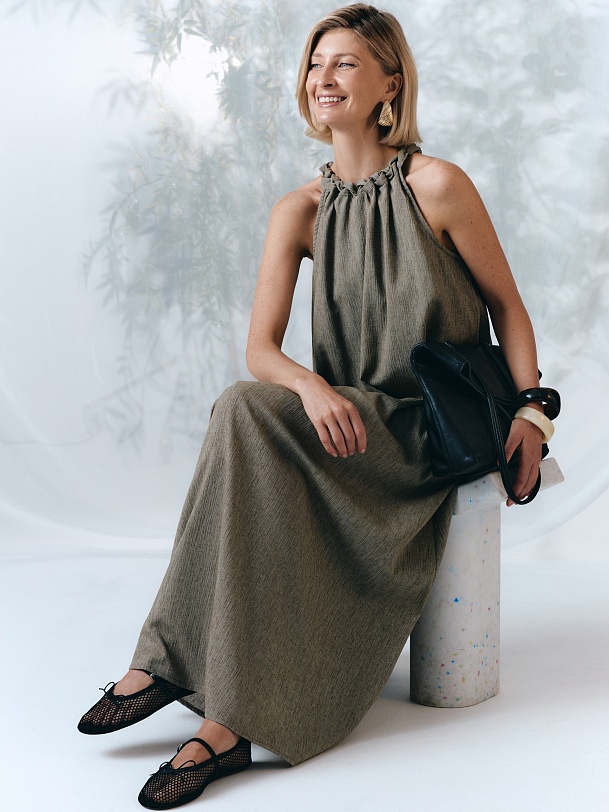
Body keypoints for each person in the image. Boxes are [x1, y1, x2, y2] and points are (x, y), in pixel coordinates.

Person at [78, 3, 550, 808]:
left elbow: (507, 306)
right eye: (313, 64)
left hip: (422, 429)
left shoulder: (438, 186)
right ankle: (218, 718)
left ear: (389, 85)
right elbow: (261, 348)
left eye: (344, 63)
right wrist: (309, 385)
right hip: (348, 421)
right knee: (244, 411)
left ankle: (171, 668)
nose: (321, 78)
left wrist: (532, 417)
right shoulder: (297, 209)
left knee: (240, 412)